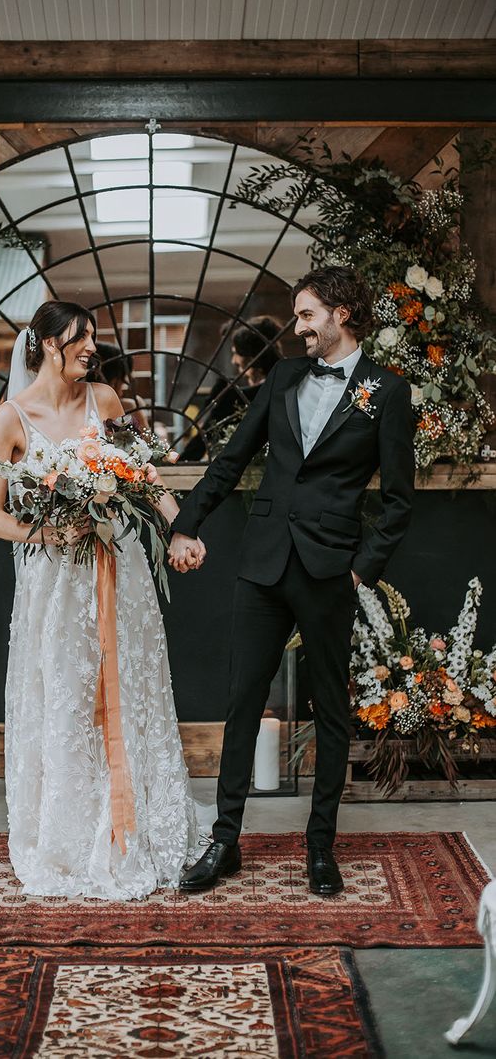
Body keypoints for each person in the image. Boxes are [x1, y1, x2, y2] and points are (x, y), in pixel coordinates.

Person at [169, 266, 416, 897]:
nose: (299, 327)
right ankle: (224, 841)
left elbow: (398, 501)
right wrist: (184, 523)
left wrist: (364, 567)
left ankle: (321, 847)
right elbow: (230, 461)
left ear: (342, 314)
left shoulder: (387, 392)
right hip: (262, 562)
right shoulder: (281, 377)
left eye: (308, 315)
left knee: (331, 711)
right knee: (241, 701)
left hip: (331, 568)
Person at [0, 300, 200, 900]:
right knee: (70, 695)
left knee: (130, 687)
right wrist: (51, 531)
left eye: (93, 339)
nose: (90, 349)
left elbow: (145, 476)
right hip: (55, 582)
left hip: (119, 571)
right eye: (80, 339)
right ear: (48, 345)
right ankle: (74, 835)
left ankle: (136, 827)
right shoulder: (8, 420)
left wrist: (181, 530)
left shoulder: (104, 401)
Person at [181, 316, 283, 461]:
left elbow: (203, 441)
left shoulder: (237, 397)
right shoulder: (283, 385)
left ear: (252, 356)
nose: (233, 360)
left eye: (236, 353)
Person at [87, 341, 149, 431]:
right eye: (122, 380)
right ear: (113, 379)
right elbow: (148, 441)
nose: (124, 388)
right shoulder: (129, 407)